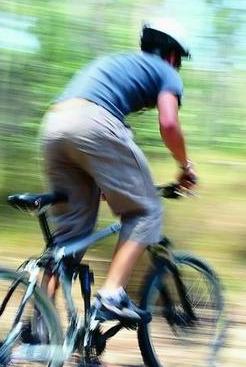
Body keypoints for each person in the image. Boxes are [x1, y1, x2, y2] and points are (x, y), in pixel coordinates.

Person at [40, 20, 196, 324]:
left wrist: (104, 183)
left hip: (54, 125)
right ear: (173, 56)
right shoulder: (166, 73)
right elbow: (169, 123)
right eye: (179, 62)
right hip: (92, 122)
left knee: (71, 238)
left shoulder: (118, 63)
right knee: (147, 209)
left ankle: (37, 329)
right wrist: (184, 166)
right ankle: (111, 295)